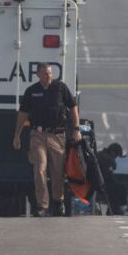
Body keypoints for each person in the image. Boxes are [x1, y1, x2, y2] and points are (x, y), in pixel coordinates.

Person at [13, 63, 81, 217]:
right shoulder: (32, 91)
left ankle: (58, 202)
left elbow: (73, 107)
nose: (48, 76)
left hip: (57, 135)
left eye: (50, 73)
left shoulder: (60, 88)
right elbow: (23, 113)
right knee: (39, 169)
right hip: (38, 135)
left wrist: (76, 129)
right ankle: (42, 205)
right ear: (38, 75)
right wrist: (17, 135)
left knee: (57, 172)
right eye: (45, 73)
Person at [96, 143, 128, 215]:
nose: (116, 158)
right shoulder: (106, 158)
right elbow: (113, 166)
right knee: (121, 188)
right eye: (116, 156)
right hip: (101, 185)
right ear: (113, 152)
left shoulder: (101, 154)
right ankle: (115, 209)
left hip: (100, 182)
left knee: (117, 186)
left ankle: (114, 208)